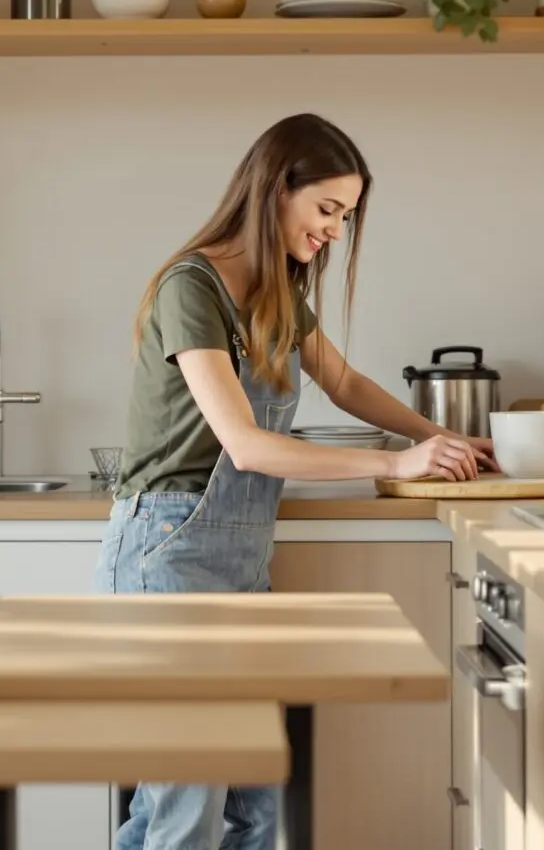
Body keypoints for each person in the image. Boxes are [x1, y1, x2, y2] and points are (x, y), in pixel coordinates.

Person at [93, 112, 495, 850]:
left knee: (258, 802)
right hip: (167, 557)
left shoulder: (276, 294)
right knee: (182, 806)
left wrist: (436, 437)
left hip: (238, 566)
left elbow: (345, 384)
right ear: (277, 190)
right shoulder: (194, 287)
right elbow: (245, 446)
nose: (336, 231)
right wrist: (394, 462)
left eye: (346, 216)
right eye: (327, 210)